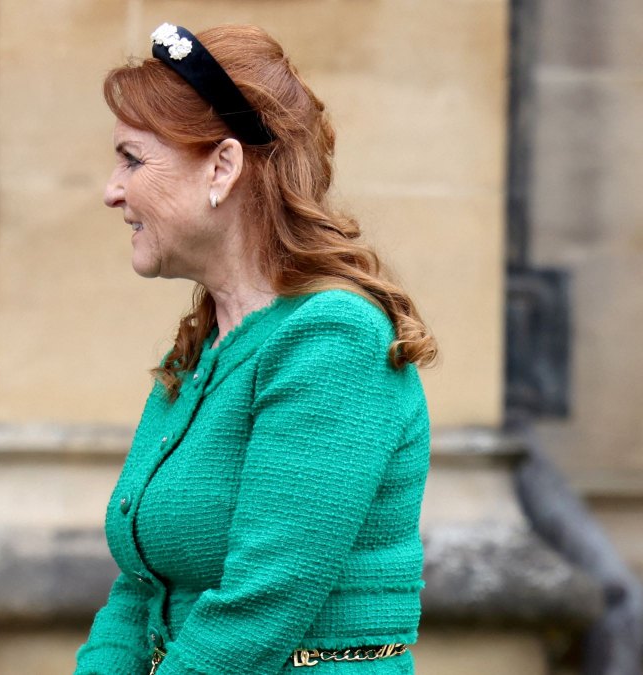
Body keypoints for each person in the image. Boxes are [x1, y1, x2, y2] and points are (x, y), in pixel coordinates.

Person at [74, 23, 437, 675]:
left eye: (132, 159)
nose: (111, 190)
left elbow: (258, 609)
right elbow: (141, 588)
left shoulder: (332, 339)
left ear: (223, 166)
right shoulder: (206, 345)